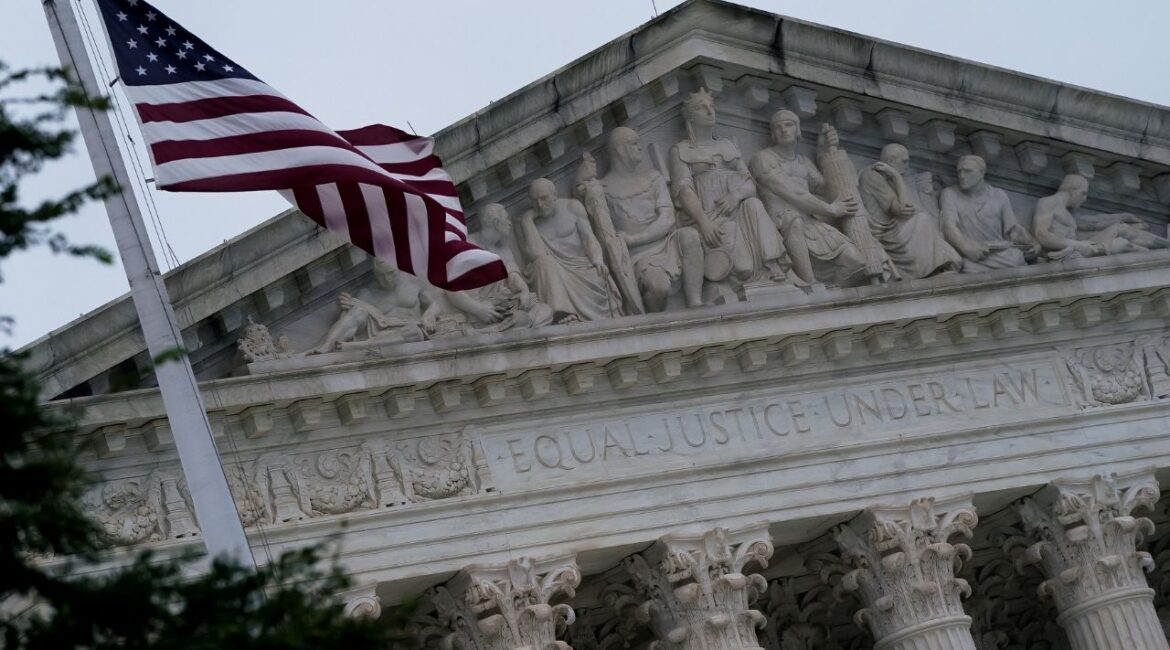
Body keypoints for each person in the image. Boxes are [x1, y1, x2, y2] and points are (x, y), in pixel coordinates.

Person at [668, 88, 786, 288]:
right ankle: (744, 275)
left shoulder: (727, 145)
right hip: (709, 217)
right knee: (743, 267)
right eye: (701, 108)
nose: (709, 111)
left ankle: (772, 263)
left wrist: (735, 196)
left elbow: (749, 182)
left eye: (711, 106)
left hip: (736, 207)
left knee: (754, 204)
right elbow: (684, 191)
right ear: (690, 116)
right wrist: (704, 223)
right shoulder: (681, 150)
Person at [749, 109, 874, 287]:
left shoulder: (803, 161)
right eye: (778, 127)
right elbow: (791, 191)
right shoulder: (762, 159)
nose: (784, 130)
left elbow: (827, 189)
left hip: (811, 223)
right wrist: (831, 209)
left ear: (798, 129)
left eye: (789, 125)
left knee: (856, 261)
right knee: (794, 220)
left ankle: (832, 297)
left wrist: (825, 153)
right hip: (781, 222)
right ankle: (810, 284)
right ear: (773, 133)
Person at [598, 126, 704, 312]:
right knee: (658, 287)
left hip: (665, 242)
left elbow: (668, 218)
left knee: (690, 235)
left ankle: (695, 302)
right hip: (638, 256)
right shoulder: (602, 189)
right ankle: (657, 322)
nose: (640, 147)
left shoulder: (653, 178)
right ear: (620, 150)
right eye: (634, 144)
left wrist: (634, 238)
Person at [422, 203, 554, 337]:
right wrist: (478, 309)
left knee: (545, 311)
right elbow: (451, 288)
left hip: (500, 307)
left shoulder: (503, 250)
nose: (510, 223)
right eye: (506, 219)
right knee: (521, 320)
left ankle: (491, 331)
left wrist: (524, 291)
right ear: (496, 223)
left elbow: (513, 276)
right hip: (473, 311)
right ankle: (486, 330)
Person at [512, 178, 621, 323]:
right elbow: (535, 254)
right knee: (544, 263)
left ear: (555, 194)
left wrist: (597, 259)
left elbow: (589, 238)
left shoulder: (572, 206)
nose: (539, 205)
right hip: (552, 274)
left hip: (580, 267)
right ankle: (562, 313)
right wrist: (527, 219)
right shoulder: (526, 223)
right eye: (534, 201)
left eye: (544, 198)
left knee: (597, 275)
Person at [858, 143, 962, 278]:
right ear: (890, 161)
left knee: (922, 218)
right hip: (884, 233)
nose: (907, 166)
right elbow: (904, 209)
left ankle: (940, 263)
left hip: (894, 227)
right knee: (920, 219)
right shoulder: (872, 175)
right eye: (904, 162)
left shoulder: (885, 176)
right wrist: (896, 176)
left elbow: (909, 208)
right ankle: (926, 271)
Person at [1032, 174, 1169, 259]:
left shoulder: (1068, 213)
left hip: (1082, 247)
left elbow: (1095, 222)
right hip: (1069, 252)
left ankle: (1165, 247)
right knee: (1124, 244)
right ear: (1071, 189)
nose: (1084, 199)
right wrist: (1078, 244)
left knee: (1121, 228)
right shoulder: (1047, 202)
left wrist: (1124, 215)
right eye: (1083, 193)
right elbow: (1042, 234)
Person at [940, 155, 1039, 271]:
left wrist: (1033, 243)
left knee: (1016, 258)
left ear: (982, 173)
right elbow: (949, 226)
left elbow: (1012, 230)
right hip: (971, 255)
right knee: (964, 265)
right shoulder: (950, 194)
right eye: (959, 172)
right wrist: (966, 247)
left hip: (1001, 252)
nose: (962, 176)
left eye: (968, 171)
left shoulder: (999, 195)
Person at [307, 260, 426, 354]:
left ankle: (356, 346)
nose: (386, 279)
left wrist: (430, 315)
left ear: (397, 269)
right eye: (381, 276)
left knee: (414, 331)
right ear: (374, 275)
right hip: (380, 333)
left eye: (390, 273)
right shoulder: (367, 293)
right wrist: (344, 308)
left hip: (404, 332)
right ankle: (326, 346)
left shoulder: (414, 283)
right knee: (359, 310)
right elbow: (351, 317)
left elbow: (436, 302)